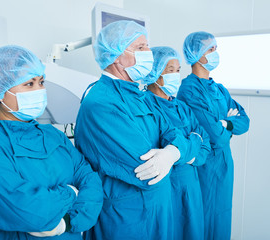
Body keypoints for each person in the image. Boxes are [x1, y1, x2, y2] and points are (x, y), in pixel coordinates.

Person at [0, 45, 103, 240]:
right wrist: (71, 192)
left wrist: (66, 223)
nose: (40, 90)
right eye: (29, 84)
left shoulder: (53, 135)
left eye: (41, 82)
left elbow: (91, 182)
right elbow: (28, 211)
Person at [74, 21, 200, 240]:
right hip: (126, 218)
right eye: (140, 48)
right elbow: (146, 168)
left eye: (147, 46)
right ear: (115, 56)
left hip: (159, 209)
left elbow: (173, 133)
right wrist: (180, 149)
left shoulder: (140, 95)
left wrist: (173, 153)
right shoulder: (101, 103)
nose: (148, 53)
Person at [177, 32, 250, 240]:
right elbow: (216, 138)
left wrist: (225, 123)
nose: (215, 53)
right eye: (210, 49)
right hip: (205, 168)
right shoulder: (189, 90)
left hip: (225, 167)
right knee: (205, 222)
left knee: (222, 220)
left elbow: (244, 122)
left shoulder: (219, 89)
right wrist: (226, 129)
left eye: (216, 49)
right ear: (196, 54)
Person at [144, 46, 211, 240]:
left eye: (178, 70)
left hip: (191, 186)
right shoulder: (146, 105)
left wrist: (183, 154)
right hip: (167, 187)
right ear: (154, 72)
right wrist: (192, 144)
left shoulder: (181, 106)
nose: (176, 75)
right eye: (170, 70)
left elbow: (204, 141)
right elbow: (163, 143)